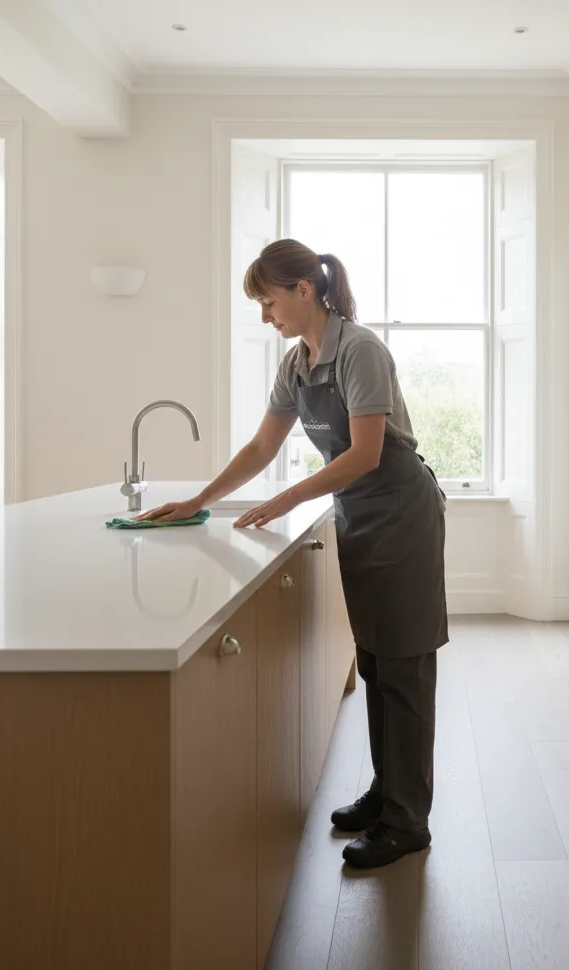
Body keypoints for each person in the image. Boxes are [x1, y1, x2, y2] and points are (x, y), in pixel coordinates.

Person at [139, 239, 448, 870]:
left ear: (303, 290)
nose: (265, 315)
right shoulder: (297, 362)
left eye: (268, 301)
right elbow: (260, 446)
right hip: (362, 515)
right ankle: (387, 794)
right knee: (375, 663)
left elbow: (364, 454)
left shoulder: (359, 349)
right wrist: (198, 499)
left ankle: (408, 822)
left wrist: (281, 503)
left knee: (405, 666)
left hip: (403, 515)